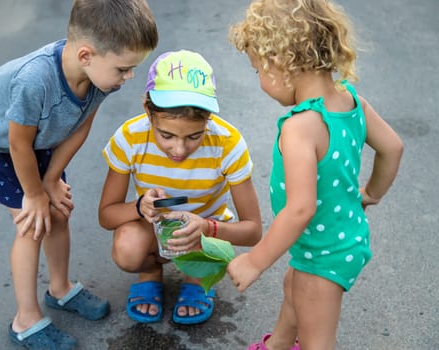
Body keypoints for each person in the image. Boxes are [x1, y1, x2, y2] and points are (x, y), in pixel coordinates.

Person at [0, 0, 158, 348]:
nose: (130, 77)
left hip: (39, 136)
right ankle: (25, 319)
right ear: (86, 56)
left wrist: (51, 179)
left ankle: (60, 288)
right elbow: (18, 143)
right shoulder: (35, 81)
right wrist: (34, 194)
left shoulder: (99, 78)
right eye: (124, 68)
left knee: (59, 212)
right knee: (33, 222)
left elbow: (79, 127)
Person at [226, 0, 403, 349]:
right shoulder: (351, 101)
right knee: (293, 285)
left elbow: (300, 209)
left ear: (281, 63)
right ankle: (277, 344)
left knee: (316, 336)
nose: (260, 80)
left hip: (325, 252)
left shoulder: (300, 127)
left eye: (257, 70)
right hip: (332, 241)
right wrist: (371, 193)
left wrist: (254, 261)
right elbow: (393, 148)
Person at [98, 50, 263, 325]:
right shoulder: (130, 137)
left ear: (208, 119)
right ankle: (150, 272)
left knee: (207, 242)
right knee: (127, 247)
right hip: (154, 231)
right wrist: (140, 207)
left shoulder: (228, 144)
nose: (179, 149)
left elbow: (253, 230)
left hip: (207, 233)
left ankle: (197, 278)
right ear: (148, 111)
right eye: (167, 135)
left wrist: (207, 227)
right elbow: (106, 215)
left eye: (194, 136)